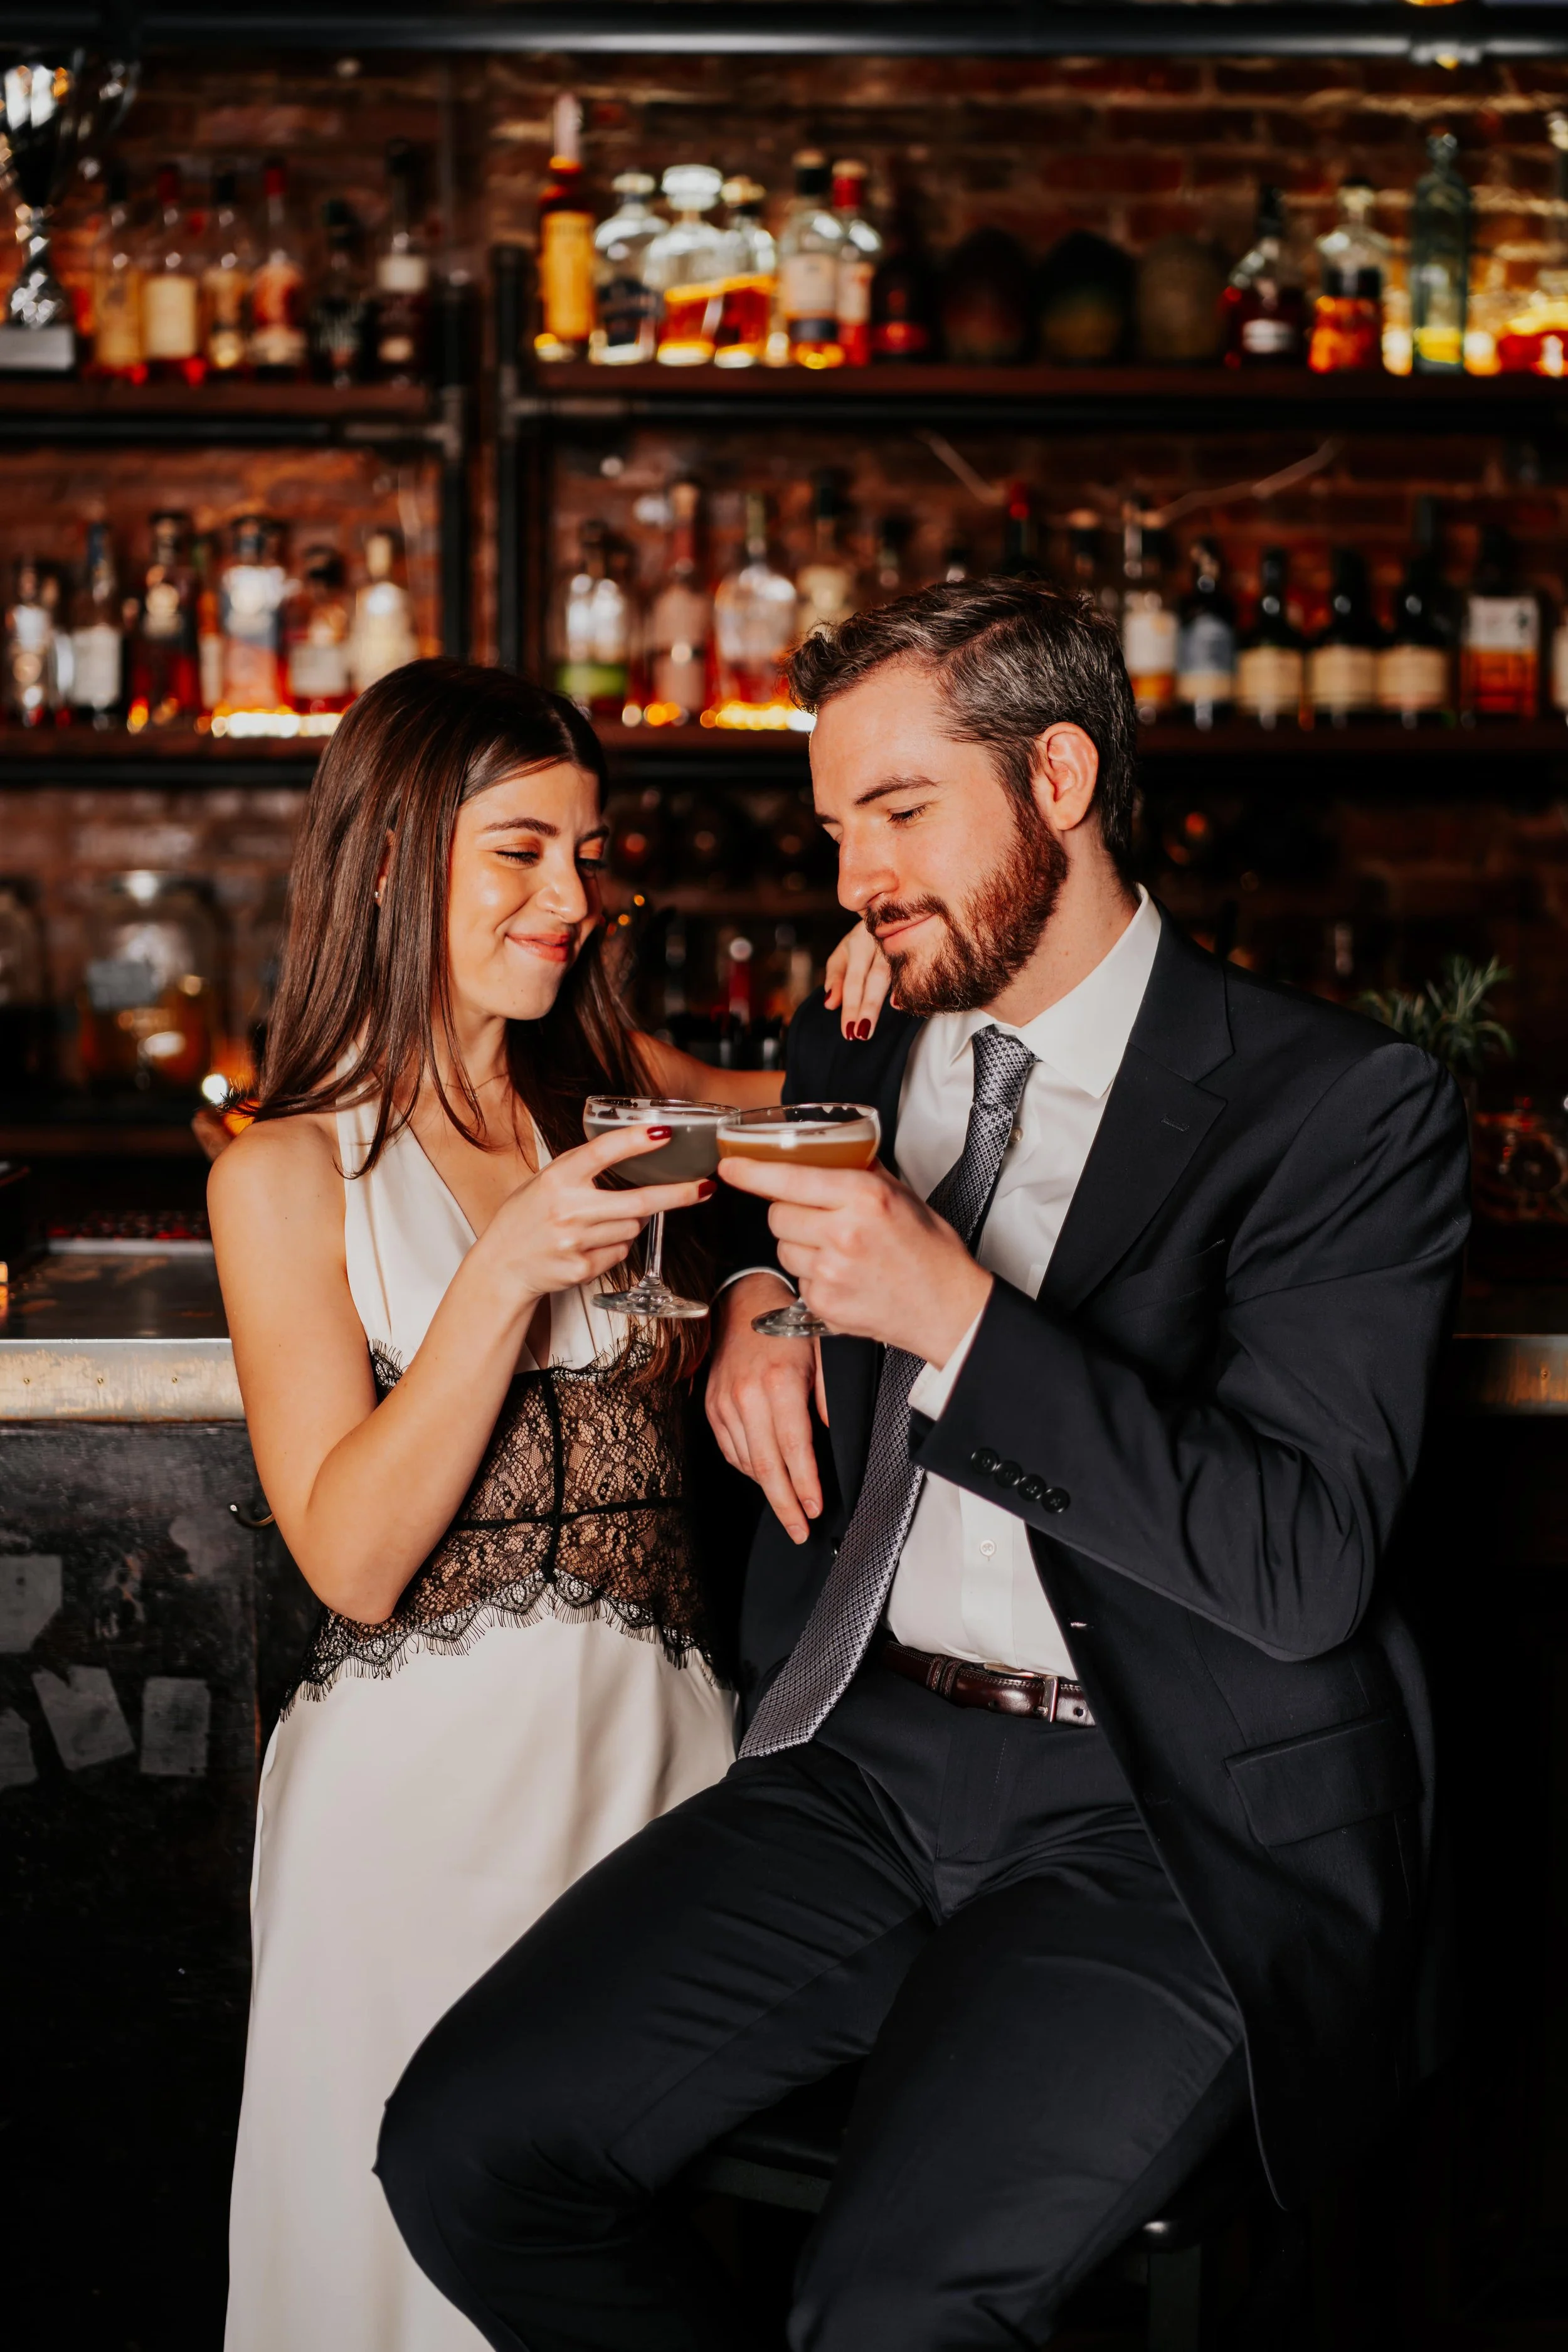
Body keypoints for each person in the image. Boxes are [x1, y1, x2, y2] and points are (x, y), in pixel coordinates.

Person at [376, 585, 1471, 2350]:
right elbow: (763, 1173)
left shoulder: (1338, 1109)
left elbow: (1303, 1560)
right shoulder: (864, 1030)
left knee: (885, 2313)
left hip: (1159, 1816)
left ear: (1056, 775)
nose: (853, 881)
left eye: (898, 814)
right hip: (866, 1763)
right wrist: (754, 1292)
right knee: (465, 2151)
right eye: (831, 828)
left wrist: (956, 1310)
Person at [214, 659, 862, 2352]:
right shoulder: (286, 1172)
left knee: (605, 2267)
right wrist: (498, 1275)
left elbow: (850, 1164)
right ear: (388, 860)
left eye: (585, 854)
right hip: (410, 1815)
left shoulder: (624, 1102)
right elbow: (351, 1557)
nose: (570, 899)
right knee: (399, 2285)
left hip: (659, 1784)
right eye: (519, 852)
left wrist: (752, 1300)